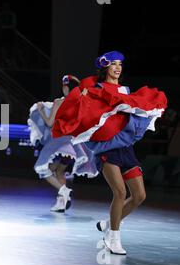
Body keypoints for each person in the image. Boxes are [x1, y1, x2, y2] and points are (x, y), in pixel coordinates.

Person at [53, 51, 167, 254]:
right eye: (113, 64)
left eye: (120, 64)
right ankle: (113, 237)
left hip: (125, 148)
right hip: (107, 149)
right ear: (105, 68)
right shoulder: (96, 89)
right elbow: (83, 109)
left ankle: (108, 223)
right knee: (120, 192)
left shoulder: (125, 90)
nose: (117, 67)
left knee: (139, 195)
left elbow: (133, 111)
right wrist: (82, 97)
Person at [28, 75, 98, 212]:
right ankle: (62, 202)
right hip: (74, 144)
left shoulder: (59, 102)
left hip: (59, 141)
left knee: (41, 168)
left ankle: (64, 190)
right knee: (59, 171)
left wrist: (41, 110)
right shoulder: (81, 102)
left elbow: (49, 123)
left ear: (65, 87)